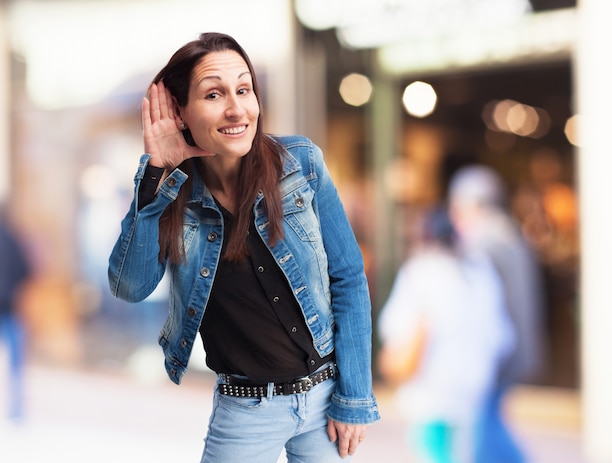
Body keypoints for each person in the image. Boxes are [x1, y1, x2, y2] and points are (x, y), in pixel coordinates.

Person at [108, 32, 379, 462]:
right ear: (180, 111)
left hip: (325, 402)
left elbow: (348, 278)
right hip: (245, 411)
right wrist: (156, 174)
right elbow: (129, 286)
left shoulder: (301, 163)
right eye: (214, 94)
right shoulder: (173, 194)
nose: (236, 109)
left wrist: (355, 396)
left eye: (244, 89)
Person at [377, 207, 514, 463]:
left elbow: (395, 328)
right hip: (474, 388)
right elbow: (502, 338)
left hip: (432, 388)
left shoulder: (421, 271)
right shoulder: (480, 272)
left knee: (435, 452)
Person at [447, 165, 545, 463]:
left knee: (485, 432)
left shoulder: (485, 242)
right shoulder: (509, 235)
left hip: (496, 354)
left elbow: (478, 308)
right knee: (487, 425)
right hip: (511, 349)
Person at [0, 208, 30, 422]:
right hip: (9, 306)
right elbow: (26, 269)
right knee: (16, 361)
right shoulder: (12, 238)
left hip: (9, 307)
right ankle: (16, 408)